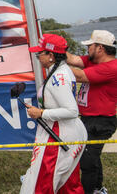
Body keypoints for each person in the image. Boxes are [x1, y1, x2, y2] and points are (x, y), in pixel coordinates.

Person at [20, 34, 87, 194]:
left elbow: (71, 110)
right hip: (66, 131)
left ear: (51, 55)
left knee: (40, 185)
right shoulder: (61, 70)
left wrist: (41, 112)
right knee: (68, 184)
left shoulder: (59, 76)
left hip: (59, 135)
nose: (37, 57)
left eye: (39, 54)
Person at [65, 30, 117, 194]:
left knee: (87, 161)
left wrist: (55, 62)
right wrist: (53, 48)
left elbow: (79, 76)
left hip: (100, 122)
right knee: (90, 157)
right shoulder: (92, 60)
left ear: (100, 48)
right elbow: (73, 59)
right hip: (88, 119)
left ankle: (90, 190)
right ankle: (97, 188)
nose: (87, 49)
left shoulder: (111, 67)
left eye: (90, 46)